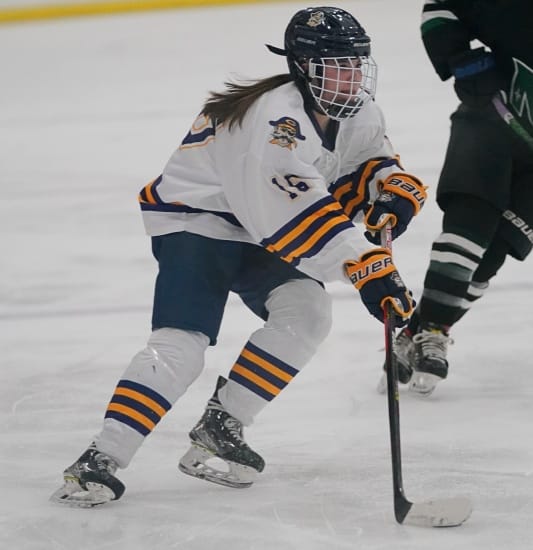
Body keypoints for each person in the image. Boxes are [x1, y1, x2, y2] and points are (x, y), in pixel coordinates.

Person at [50, 6, 426, 507]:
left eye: (357, 64)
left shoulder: (358, 113)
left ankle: (222, 423)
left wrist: (388, 187)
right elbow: (295, 211)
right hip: (197, 224)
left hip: (255, 227)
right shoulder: (274, 121)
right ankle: (99, 459)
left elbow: (362, 162)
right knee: (182, 345)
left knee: (308, 312)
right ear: (304, 67)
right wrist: (364, 266)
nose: (352, 76)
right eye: (338, 65)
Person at [381, 0, 533, 397]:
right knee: (470, 228)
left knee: (495, 252)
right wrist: (461, 59)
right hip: (491, 122)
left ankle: (416, 333)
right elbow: (441, 8)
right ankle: (432, 331)